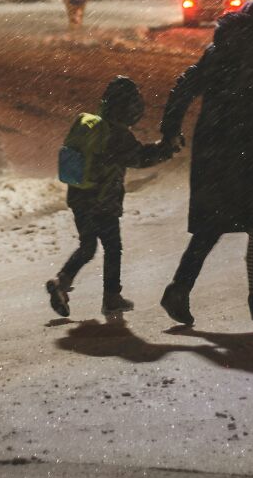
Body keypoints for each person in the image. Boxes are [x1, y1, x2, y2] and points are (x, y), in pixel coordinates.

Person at [159, 0, 253, 324]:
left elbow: (185, 86)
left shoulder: (219, 51)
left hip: (216, 145)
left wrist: (171, 128)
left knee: (219, 222)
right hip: (245, 147)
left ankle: (182, 289)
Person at [46, 76, 180, 318]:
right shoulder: (117, 135)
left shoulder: (92, 125)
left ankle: (61, 282)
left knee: (87, 246)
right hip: (102, 201)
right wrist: (167, 148)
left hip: (79, 197)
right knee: (113, 248)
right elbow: (140, 158)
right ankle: (112, 298)